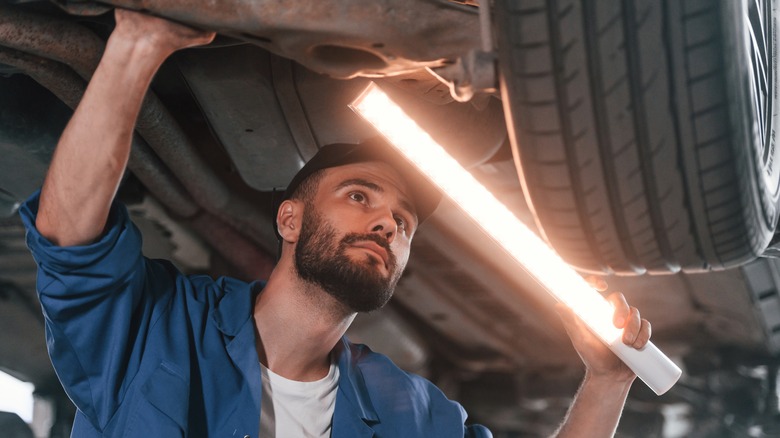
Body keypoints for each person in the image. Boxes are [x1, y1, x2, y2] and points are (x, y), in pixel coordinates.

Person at [20, 9, 652, 438]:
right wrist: (139, 40)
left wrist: (605, 381)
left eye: (404, 222)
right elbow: (69, 237)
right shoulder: (159, 331)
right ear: (289, 218)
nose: (388, 223)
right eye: (360, 196)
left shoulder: (408, 411)